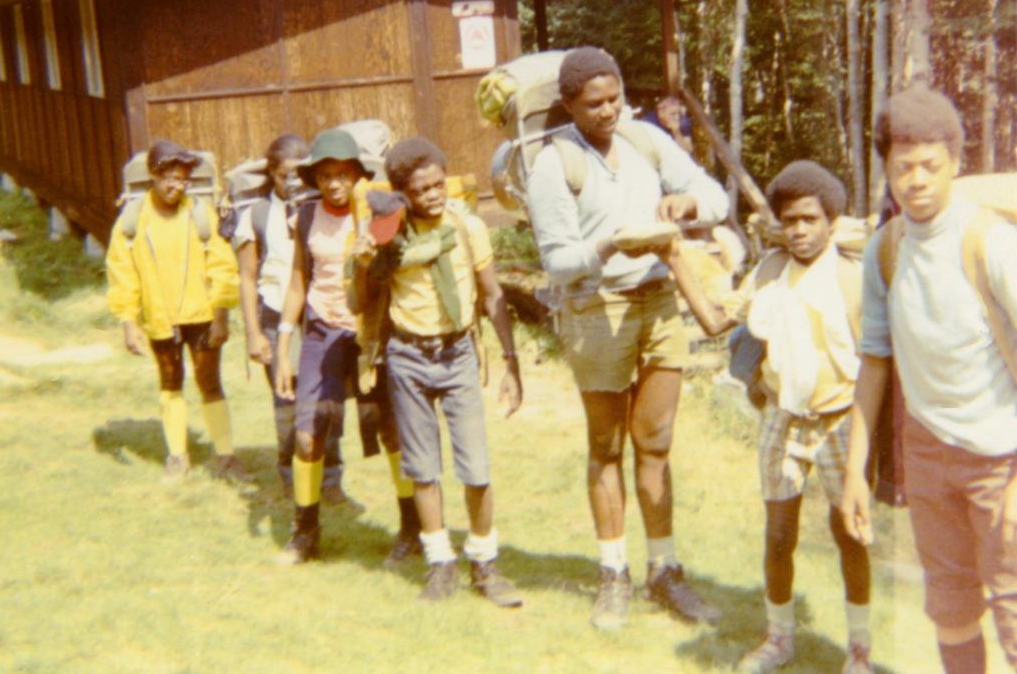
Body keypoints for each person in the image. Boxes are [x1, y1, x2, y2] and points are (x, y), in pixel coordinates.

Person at [525, 46, 728, 631]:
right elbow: (559, 261)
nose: (609, 111)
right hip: (596, 305)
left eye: (615, 98)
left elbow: (712, 196)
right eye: (594, 104)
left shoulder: (646, 140)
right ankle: (613, 572)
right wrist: (611, 245)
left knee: (657, 441)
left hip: (660, 298)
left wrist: (686, 203)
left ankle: (665, 570)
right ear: (568, 105)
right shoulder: (554, 163)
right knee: (606, 446)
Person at [668, 161, 873, 673]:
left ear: (831, 220)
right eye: (790, 221)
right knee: (779, 536)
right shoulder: (771, 270)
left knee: (850, 533)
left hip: (842, 419)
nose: (800, 231)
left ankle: (860, 650)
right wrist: (673, 256)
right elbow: (717, 321)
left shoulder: (853, 275)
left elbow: (877, 361)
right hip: (784, 418)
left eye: (811, 219)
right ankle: (778, 638)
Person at [840, 88, 1017, 674]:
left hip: (1003, 459)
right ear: (885, 169)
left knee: (1014, 610)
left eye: (930, 167)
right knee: (950, 608)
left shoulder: (989, 242)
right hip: (928, 455)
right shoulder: (884, 252)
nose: (916, 181)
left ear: (956, 165)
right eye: (902, 167)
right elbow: (874, 362)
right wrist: (855, 473)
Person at [351, 137, 523, 606]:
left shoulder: (467, 228)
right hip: (407, 357)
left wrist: (511, 361)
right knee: (422, 469)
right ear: (404, 192)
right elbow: (360, 302)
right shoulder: (388, 232)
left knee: (477, 469)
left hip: (458, 355)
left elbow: (491, 296)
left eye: (437, 184)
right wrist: (362, 262)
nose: (433, 195)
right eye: (420, 189)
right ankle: (440, 564)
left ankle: (485, 565)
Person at [274, 127, 420, 565]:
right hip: (322, 330)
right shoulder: (304, 218)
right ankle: (305, 532)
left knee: (391, 430)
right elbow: (300, 279)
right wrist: (284, 343)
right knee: (307, 434)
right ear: (314, 178)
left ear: (358, 174)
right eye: (325, 175)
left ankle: (411, 528)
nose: (334, 183)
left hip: (370, 329)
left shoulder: (375, 212)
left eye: (343, 174)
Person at [106, 139, 247, 481]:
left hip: (202, 316)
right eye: (169, 177)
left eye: (183, 179)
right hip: (160, 318)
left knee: (209, 382)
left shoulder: (200, 215)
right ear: (153, 175)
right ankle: (178, 456)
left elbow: (224, 267)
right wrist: (128, 321)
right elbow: (122, 273)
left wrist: (222, 316)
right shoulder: (133, 221)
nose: (176, 186)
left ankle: (226, 457)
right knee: (170, 381)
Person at [233, 133, 346, 502]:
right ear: (272, 173)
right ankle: (290, 475)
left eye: (301, 175)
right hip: (274, 313)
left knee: (326, 399)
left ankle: (330, 480)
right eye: (286, 176)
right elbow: (247, 277)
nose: (294, 183)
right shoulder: (257, 215)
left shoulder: (317, 211)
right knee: (287, 402)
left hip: (316, 315)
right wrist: (254, 333)